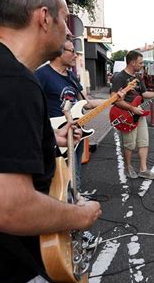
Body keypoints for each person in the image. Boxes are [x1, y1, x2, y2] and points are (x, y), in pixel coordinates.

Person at [0, 0, 102, 283]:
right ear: (44, 18)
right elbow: (0, 208)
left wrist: (46, 139)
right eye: (65, 19)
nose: (68, 32)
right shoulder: (13, 83)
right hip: (3, 268)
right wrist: (79, 215)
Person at [37, 39, 117, 191]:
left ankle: (75, 201)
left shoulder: (72, 77)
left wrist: (113, 100)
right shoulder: (42, 75)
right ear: (60, 52)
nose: (76, 55)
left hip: (76, 134)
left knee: (74, 175)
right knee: (56, 180)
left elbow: (86, 103)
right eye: (72, 51)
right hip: (55, 137)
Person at [111, 50, 154, 180]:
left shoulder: (138, 77)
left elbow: (144, 94)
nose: (142, 65)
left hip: (139, 114)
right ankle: (128, 167)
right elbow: (114, 98)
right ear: (132, 62)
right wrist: (132, 108)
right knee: (129, 144)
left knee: (144, 142)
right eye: (140, 62)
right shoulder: (119, 77)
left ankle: (143, 170)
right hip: (127, 115)